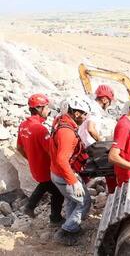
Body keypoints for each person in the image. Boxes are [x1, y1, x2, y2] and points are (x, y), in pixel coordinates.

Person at [50, 96, 92, 246]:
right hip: (63, 174)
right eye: (84, 114)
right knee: (84, 201)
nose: (85, 117)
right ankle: (66, 231)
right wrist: (74, 181)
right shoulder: (67, 133)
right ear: (76, 113)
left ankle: (72, 227)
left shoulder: (60, 120)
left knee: (71, 200)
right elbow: (62, 160)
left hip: (57, 172)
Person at [17, 94, 64, 224]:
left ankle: (30, 207)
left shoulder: (23, 125)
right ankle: (55, 218)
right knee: (58, 193)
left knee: (44, 185)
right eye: (47, 107)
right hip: (46, 168)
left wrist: (31, 157)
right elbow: (51, 152)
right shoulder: (40, 129)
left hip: (35, 167)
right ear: (39, 108)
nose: (48, 110)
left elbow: (19, 147)